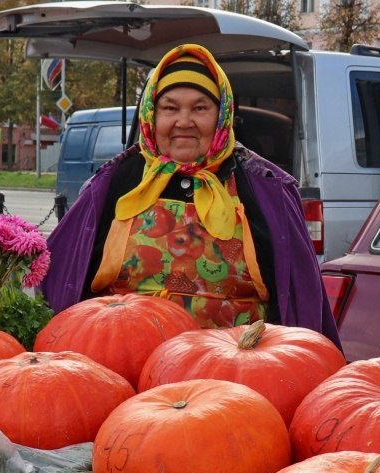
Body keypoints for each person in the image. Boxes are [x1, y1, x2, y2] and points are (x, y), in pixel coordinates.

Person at [40, 44, 340, 346]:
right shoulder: (112, 184)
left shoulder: (266, 190)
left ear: (222, 115)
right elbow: (58, 287)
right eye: (170, 108)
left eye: (200, 108)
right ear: (151, 115)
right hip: (121, 365)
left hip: (233, 369)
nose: (184, 122)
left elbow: (303, 302)